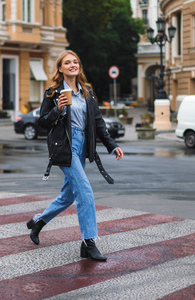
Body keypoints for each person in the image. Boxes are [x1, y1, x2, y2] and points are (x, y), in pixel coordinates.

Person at [26, 50, 124, 261]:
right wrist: (58, 110)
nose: (73, 65)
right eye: (68, 62)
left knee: (68, 195)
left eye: (75, 62)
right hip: (65, 146)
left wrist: (111, 145)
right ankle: (89, 242)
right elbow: (42, 122)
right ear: (60, 68)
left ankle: (38, 222)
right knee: (85, 192)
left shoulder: (87, 92)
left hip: (83, 145)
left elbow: (98, 122)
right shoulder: (53, 93)